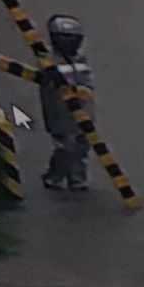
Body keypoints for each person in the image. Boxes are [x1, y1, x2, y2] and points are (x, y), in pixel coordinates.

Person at [36, 14, 94, 192]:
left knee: (82, 146)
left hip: (84, 111)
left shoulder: (79, 58)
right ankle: (55, 176)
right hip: (59, 112)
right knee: (65, 147)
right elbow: (47, 81)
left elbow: (87, 80)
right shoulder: (48, 60)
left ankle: (77, 178)